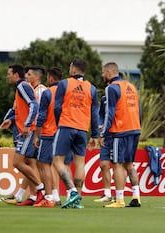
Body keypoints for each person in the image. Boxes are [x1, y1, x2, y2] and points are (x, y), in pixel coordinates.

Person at [53, 58, 99, 209]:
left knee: (57, 161)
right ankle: (77, 200)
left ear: (73, 69)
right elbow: (95, 114)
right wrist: (94, 135)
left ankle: (72, 191)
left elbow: (57, 107)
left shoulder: (64, 83)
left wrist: (60, 122)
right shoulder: (91, 88)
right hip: (82, 129)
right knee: (80, 164)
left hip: (66, 125)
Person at [100, 62, 141, 208]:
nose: (102, 75)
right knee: (129, 165)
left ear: (109, 72)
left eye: (103, 73)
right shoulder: (131, 86)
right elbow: (139, 110)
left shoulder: (112, 88)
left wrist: (103, 133)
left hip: (120, 130)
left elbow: (109, 113)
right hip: (135, 128)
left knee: (116, 164)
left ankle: (119, 200)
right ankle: (136, 196)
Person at [2, 64, 44, 206]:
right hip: (26, 130)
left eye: (9, 73)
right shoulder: (22, 86)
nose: (7, 76)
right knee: (29, 163)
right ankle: (31, 197)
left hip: (28, 131)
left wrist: (26, 125)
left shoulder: (22, 86)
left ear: (15, 75)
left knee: (17, 162)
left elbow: (34, 105)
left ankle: (41, 191)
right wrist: (12, 120)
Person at [33, 67, 63, 207]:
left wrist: (37, 135)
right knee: (56, 164)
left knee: (44, 165)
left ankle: (49, 197)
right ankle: (56, 196)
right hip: (62, 132)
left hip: (48, 132)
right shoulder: (66, 93)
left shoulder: (47, 92)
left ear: (50, 78)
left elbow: (42, 116)